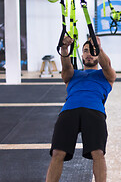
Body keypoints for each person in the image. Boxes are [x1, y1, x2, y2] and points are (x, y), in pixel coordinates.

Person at [46, 36, 116, 182]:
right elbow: (66, 67)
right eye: (85, 51)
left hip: (94, 112)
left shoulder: (105, 74)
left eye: (92, 51)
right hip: (68, 112)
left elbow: (107, 64)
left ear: (97, 53)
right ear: (81, 54)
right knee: (58, 153)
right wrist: (64, 48)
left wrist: (99, 48)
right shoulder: (72, 74)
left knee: (98, 153)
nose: (88, 53)